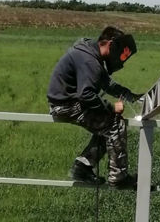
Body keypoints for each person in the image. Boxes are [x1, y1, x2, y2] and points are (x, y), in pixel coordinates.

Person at [47, 26, 143, 189]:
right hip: (65, 105)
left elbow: (107, 84)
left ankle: (82, 167)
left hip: (64, 102)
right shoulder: (90, 60)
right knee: (114, 124)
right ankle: (119, 178)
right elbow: (86, 95)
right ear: (111, 45)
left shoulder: (90, 53)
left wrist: (130, 95)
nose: (120, 59)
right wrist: (112, 108)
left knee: (105, 128)